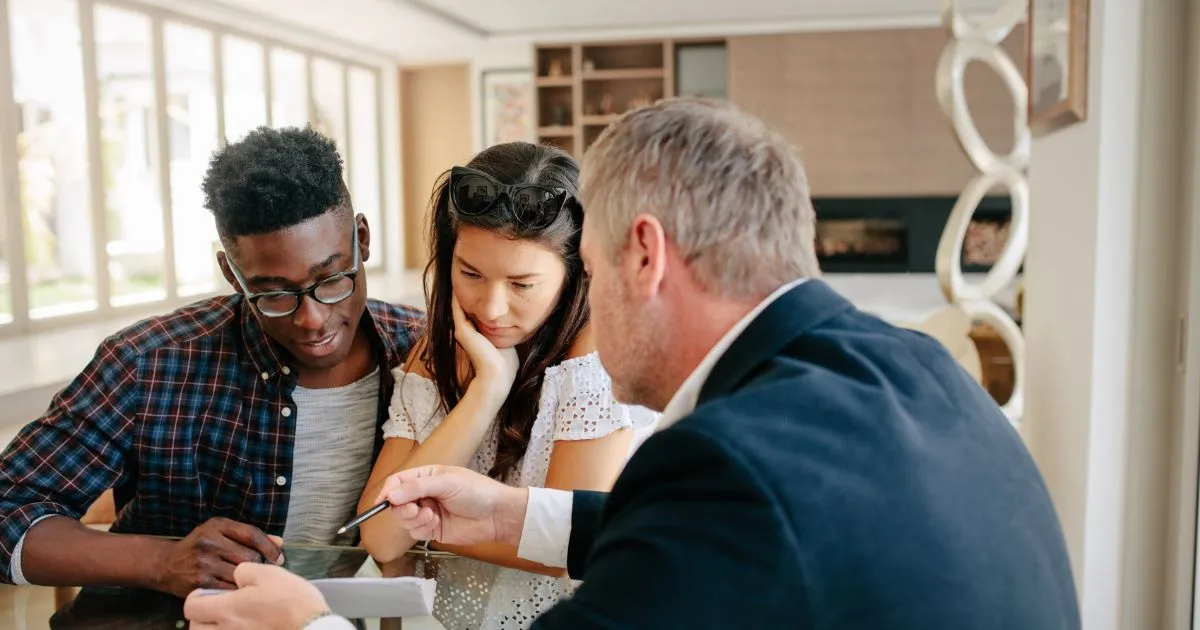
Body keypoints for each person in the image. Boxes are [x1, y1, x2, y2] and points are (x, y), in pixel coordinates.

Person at [184, 100, 1080, 629]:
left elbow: (720, 514)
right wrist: (509, 512)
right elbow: (717, 533)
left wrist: (312, 624)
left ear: (643, 256)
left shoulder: (732, 458)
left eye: (590, 268)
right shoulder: (911, 364)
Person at [0, 126, 422, 597]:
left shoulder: (423, 353)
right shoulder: (149, 364)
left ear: (362, 239)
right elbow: (8, 509)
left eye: (331, 279)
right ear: (232, 275)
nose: (312, 319)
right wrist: (161, 562)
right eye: (273, 294)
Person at [356, 141, 657, 629]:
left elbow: (564, 545)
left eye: (522, 284)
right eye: (470, 273)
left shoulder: (597, 356)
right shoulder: (438, 352)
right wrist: (487, 391)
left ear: (575, 273)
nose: (492, 309)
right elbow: (381, 537)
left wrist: (424, 530)